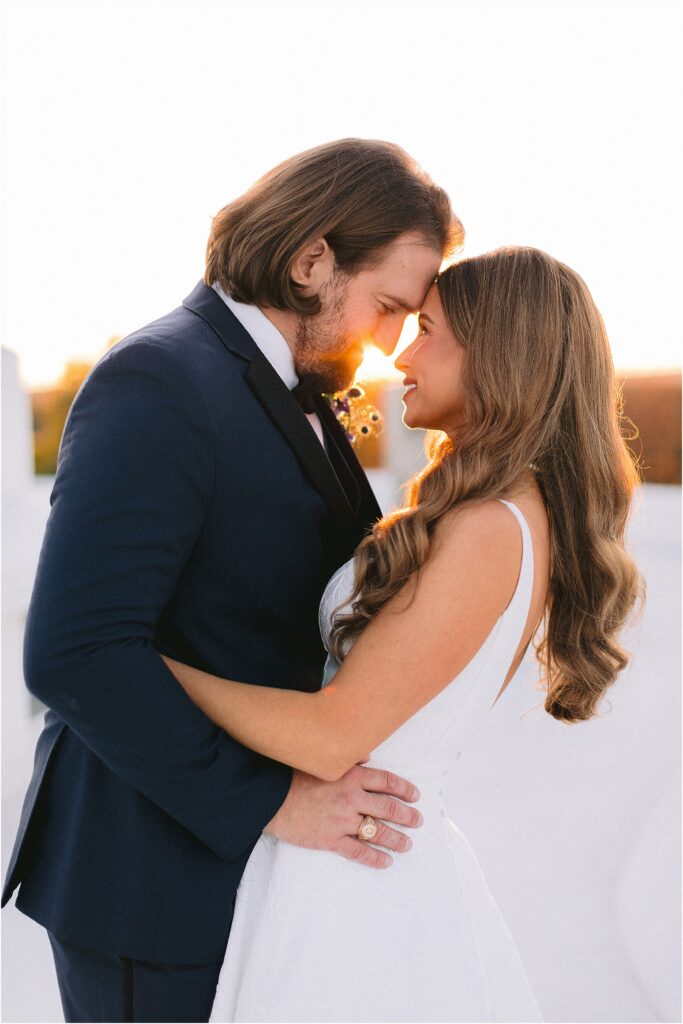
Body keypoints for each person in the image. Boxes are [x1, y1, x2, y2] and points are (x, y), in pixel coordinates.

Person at [1, 139, 464, 1023]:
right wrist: (274, 802)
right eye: (388, 306)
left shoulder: (291, 385)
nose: (392, 342)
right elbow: (76, 650)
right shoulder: (159, 378)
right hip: (151, 883)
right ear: (310, 259)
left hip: (241, 880)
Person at [161, 246, 642, 1023]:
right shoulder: (491, 515)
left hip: (358, 887)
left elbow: (331, 737)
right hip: (349, 858)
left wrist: (146, 663)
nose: (400, 351)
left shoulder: (489, 528)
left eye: (426, 329)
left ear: (499, 354)